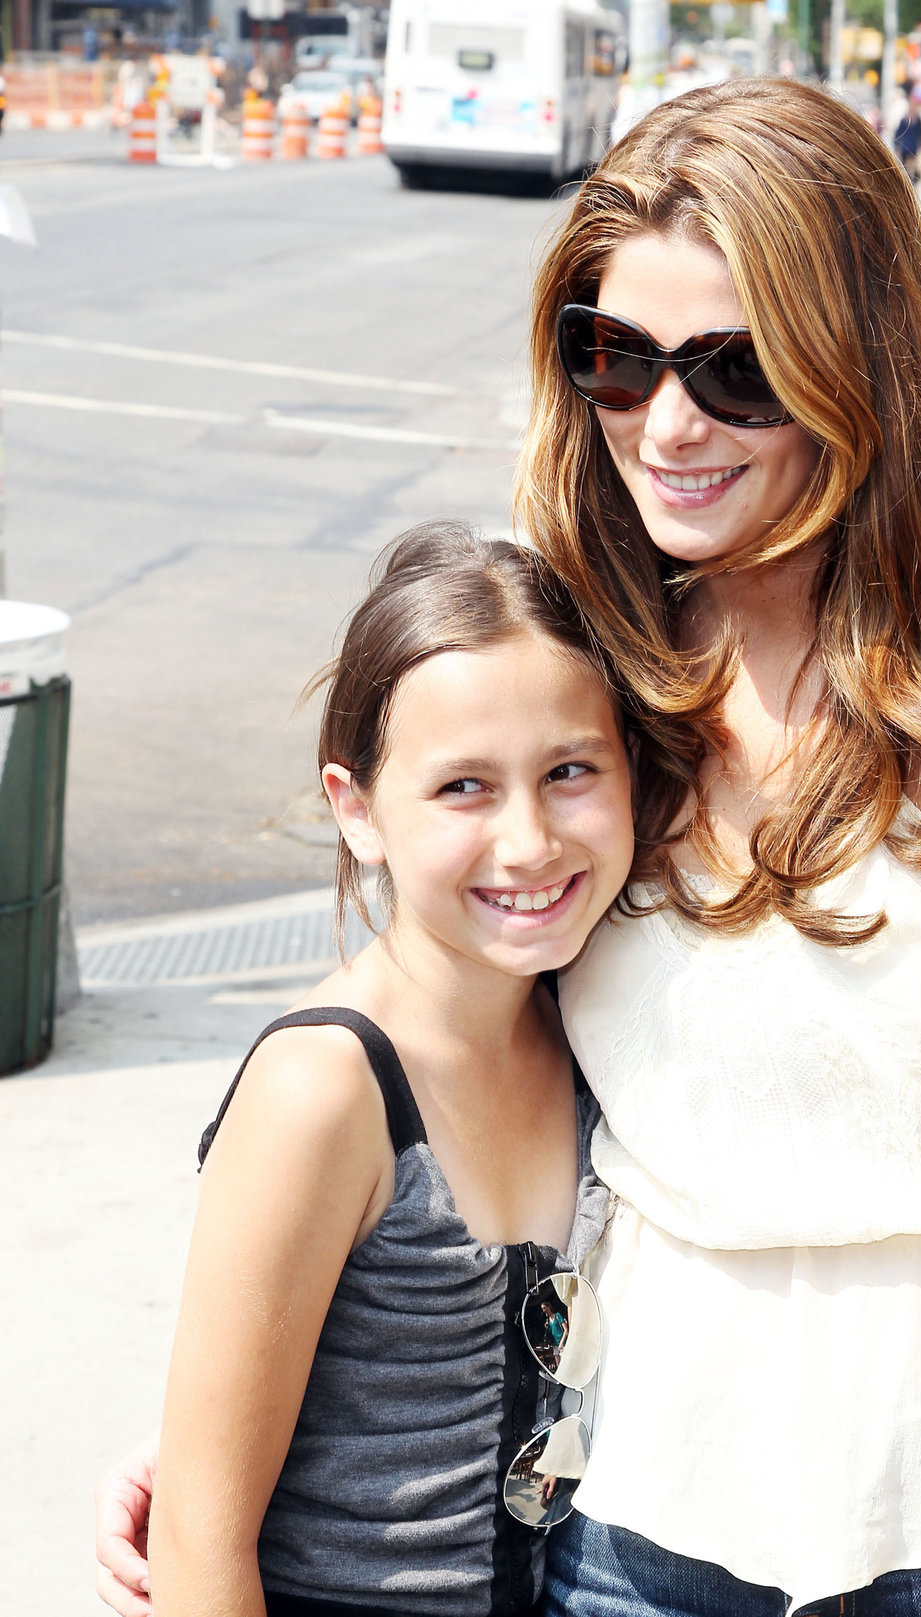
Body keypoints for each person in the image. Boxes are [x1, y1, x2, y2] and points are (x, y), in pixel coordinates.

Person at [97, 79, 921, 1617]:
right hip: (642, 1521)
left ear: (861, 360)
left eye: (735, 371)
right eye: (616, 359)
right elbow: (444, 1010)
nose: (667, 426)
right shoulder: (601, 668)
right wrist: (233, 1419)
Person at [140, 520, 654, 1617]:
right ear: (357, 809)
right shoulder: (324, 1087)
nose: (528, 842)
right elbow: (196, 1537)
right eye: (463, 788)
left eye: (569, 771)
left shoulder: (591, 1019)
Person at [893, 95, 921, 184]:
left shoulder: (918, 120)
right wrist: (896, 145)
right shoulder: (904, 120)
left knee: (913, 165)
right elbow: (898, 133)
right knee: (904, 165)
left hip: (913, 146)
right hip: (904, 146)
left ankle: (912, 180)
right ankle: (906, 181)